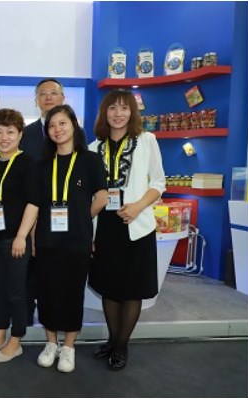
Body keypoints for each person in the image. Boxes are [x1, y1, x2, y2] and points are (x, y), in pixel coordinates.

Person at [89, 89, 165, 371]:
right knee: (109, 287)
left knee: (132, 290)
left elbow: (158, 183)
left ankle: (121, 347)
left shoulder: (146, 140)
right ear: (104, 113)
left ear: (132, 112)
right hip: (105, 226)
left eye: (124, 108)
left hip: (136, 224)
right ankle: (112, 340)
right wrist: (89, 232)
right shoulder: (93, 147)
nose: (118, 113)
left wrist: (138, 206)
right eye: (112, 108)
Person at [34, 105, 107, 373]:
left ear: (74, 125)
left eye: (62, 123)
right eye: (52, 126)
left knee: (73, 292)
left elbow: (102, 198)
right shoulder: (42, 164)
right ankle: (51, 343)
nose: (57, 129)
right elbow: (36, 206)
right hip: (46, 240)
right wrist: (32, 239)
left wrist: (80, 218)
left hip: (77, 240)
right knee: (47, 292)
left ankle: (68, 347)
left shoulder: (90, 160)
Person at [0, 109, 39, 363]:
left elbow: (33, 203)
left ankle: (16, 340)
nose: (4, 137)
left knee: (17, 292)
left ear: (20, 134)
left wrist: (22, 236)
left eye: (10, 132)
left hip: (16, 240)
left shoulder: (29, 164)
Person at [18, 78, 66, 328]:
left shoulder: (74, 132)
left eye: (53, 93)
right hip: (30, 208)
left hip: (63, 211)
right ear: (36, 100)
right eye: (43, 94)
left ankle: (53, 315)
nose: (48, 97)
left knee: (56, 266)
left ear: (62, 98)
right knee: (28, 263)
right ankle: (26, 312)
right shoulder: (26, 134)